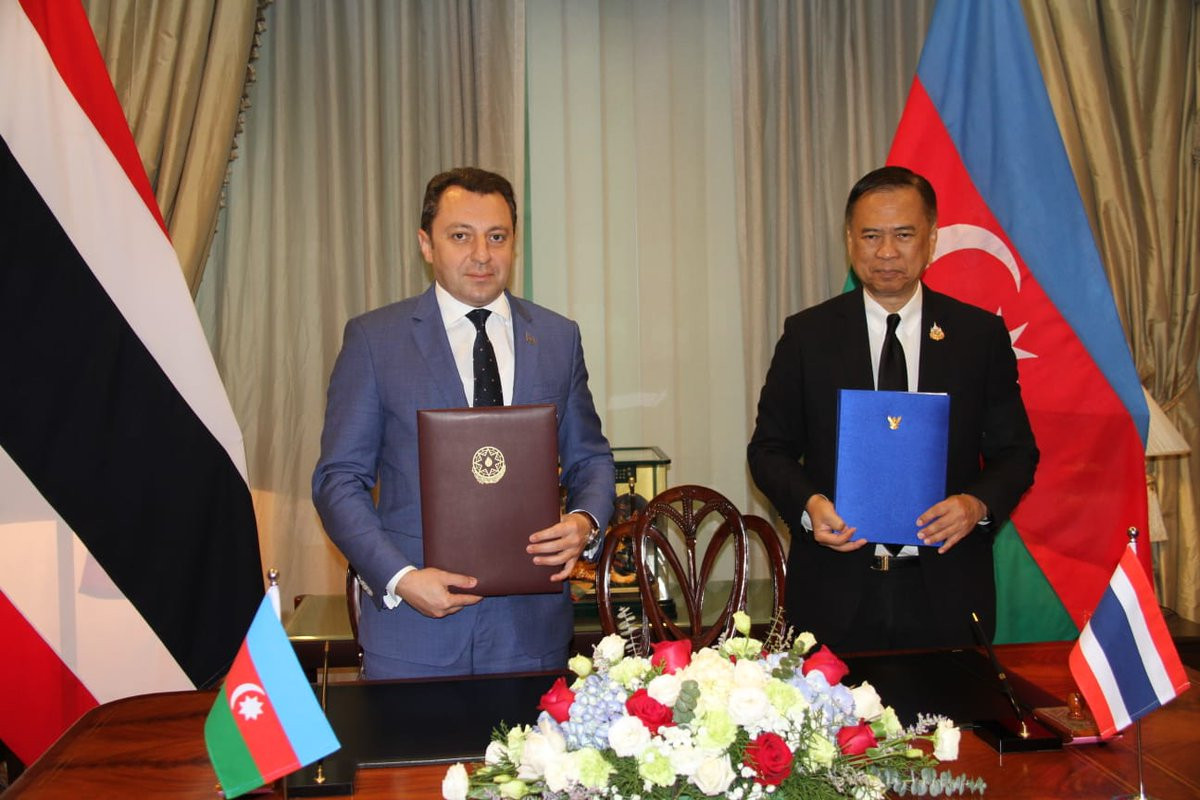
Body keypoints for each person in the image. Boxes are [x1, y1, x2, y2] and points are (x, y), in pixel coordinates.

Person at [313, 167, 615, 679]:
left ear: (513, 243)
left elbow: (591, 459)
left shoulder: (558, 338)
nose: (481, 255)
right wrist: (401, 577)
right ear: (426, 244)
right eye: (460, 236)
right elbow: (338, 480)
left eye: (497, 237)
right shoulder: (375, 341)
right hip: (415, 634)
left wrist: (584, 522)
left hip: (532, 637)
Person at [747, 166, 1038, 652]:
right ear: (849, 241)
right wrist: (809, 506)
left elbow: (1016, 453)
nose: (886, 252)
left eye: (903, 235)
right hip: (834, 593)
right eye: (871, 236)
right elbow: (768, 450)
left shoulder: (978, 337)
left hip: (947, 591)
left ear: (932, 239)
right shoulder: (808, 336)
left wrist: (976, 505)